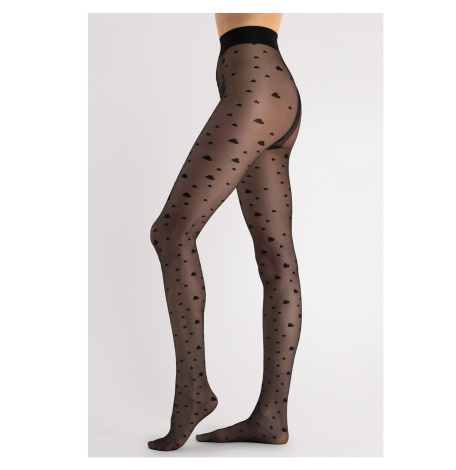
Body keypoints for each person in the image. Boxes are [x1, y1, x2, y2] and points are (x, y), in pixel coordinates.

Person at [148, 13, 303, 451]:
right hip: (268, 85)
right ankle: (271, 417)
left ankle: (193, 391)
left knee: (171, 233)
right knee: (276, 260)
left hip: (254, 88)